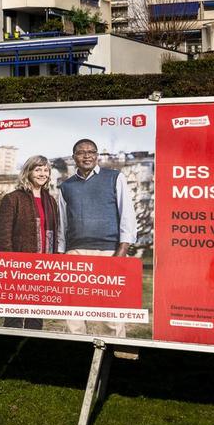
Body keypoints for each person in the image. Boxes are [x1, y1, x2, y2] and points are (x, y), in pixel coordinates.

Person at [59, 138, 136, 338]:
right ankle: (78, 348)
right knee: (74, 312)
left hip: (109, 252)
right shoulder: (66, 186)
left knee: (110, 314)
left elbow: (127, 214)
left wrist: (122, 250)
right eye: (81, 152)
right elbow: (62, 224)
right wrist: (61, 254)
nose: (86, 156)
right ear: (74, 157)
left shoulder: (115, 177)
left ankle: (115, 349)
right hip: (75, 252)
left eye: (91, 152)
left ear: (97, 155)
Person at [0, 155, 60, 330]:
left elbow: (55, 233)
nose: (43, 174)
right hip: (19, 265)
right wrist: (10, 263)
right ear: (28, 172)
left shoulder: (51, 201)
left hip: (44, 265)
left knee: (36, 315)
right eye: (38, 170)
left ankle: (32, 341)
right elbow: (4, 236)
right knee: (14, 315)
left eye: (46, 170)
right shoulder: (13, 199)